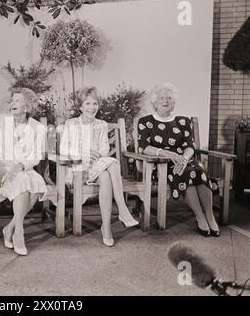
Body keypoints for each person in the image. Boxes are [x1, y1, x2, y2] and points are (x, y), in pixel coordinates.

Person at [137, 83, 220, 237]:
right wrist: (170, 155)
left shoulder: (183, 121)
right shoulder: (145, 122)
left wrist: (183, 159)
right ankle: (200, 217)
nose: (165, 100)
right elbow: (144, 147)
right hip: (162, 164)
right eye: (161, 98)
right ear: (154, 102)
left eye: (169, 98)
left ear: (173, 102)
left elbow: (190, 145)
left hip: (185, 160)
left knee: (198, 171)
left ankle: (210, 216)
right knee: (187, 173)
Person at [60, 87, 139, 247]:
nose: (92, 107)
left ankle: (107, 227)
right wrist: (85, 153)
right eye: (87, 103)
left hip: (97, 166)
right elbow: (64, 150)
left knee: (106, 174)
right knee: (112, 165)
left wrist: (96, 154)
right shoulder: (71, 124)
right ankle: (122, 210)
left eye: (95, 103)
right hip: (78, 168)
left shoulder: (101, 124)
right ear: (80, 107)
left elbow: (104, 150)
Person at [0, 87, 47, 256]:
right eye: (12, 100)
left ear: (27, 107)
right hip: (2, 168)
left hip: (23, 168)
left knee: (36, 185)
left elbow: (36, 156)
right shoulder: (0, 120)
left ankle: (11, 228)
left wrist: (22, 165)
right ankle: (19, 232)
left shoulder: (38, 127)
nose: (12, 103)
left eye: (17, 100)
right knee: (26, 183)